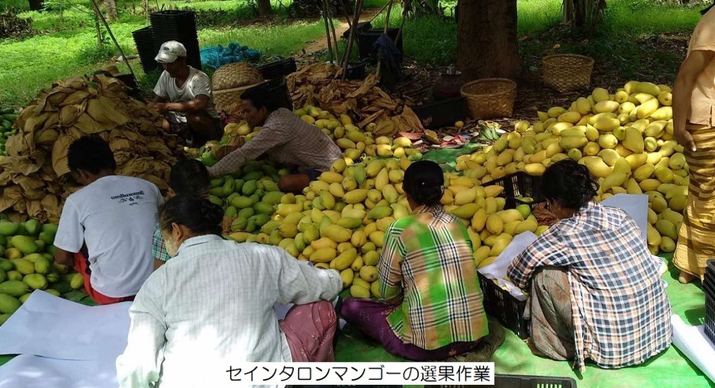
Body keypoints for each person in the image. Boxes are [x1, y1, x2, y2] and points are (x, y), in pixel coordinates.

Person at [116, 195, 343, 388]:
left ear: (176, 231)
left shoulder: (158, 282)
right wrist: (335, 277)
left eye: (164, 236)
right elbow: (323, 286)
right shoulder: (263, 257)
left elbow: (139, 363)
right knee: (320, 308)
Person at [507, 160, 672, 373]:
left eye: (548, 203)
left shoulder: (563, 233)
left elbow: (517, 273)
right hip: (658, 336)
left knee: (544, 275)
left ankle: (554, 346)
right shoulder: (619, 215)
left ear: (556, 203)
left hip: (613, 350)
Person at [340, 161, 498, 361]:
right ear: (442, 191)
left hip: (424, 347)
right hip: (473, 338)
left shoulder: (400, 229)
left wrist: (404, 299)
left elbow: (388, 292)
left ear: (407, 194)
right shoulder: (457, 224)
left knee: (350, 306)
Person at [53, 136, 163, 305]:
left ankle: (94, 282)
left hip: (113, 293)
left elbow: (61, 258)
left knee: (73, 246)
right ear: (114, 162)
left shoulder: (77, 200)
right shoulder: (147, 187)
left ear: (81, 173)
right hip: (160, 282)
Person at [208, 85, 342, 193]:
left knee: (285, 183)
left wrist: (210, 173)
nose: (244, 116)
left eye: (248, 111)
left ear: (263, 110)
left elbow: (244, 154)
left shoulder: (275, 127)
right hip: (322, 159)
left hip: (330, 169)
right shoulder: (281, 112)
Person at [672, 4, 715, 284]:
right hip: (707, 121)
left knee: (702, 195)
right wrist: (678, 125)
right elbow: (686, 75)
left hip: (706, 120)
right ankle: (708, 271)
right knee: (710, 200)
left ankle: (689, 267)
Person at [151, 40, 223, 147]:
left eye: (170, 63)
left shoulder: (199, 78)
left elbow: (200, 104)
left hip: (207, 123)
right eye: (164, 64)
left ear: (182, 60)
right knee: (159, 122)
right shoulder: (166, 75)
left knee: (195, 118)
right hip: (180, 122)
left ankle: (216, 144)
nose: (167, 67)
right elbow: (157, 102)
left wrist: (167, 106)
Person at [152, 158, 211, 270]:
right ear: (171, 193)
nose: (196, 206)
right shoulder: (165, 231)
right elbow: (159, 273)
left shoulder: (214, 221)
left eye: (204, 197)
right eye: (189, 200)